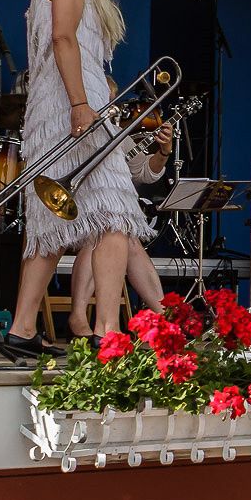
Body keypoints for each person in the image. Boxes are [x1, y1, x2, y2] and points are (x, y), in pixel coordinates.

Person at [4, 0, 151, 356]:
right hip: (74, 103)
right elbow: (63, 38)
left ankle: (23, 327)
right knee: (113, 214)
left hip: (61, 103)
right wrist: (81, 103)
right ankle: (108, 329)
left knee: (53, 220)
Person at [66, 121, 175, 339]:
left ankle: (163, 317)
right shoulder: (72, 129)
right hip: (69, 215)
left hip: (104, 224)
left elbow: (145, 173)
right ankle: (78, 314)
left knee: (123, 237)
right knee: (105, 232)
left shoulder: (117, 135)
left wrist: (164, 151)